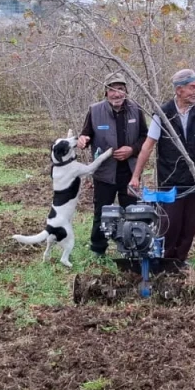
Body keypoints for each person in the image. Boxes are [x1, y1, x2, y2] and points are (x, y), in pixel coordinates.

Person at [129, 69, 195, 270]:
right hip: (169, 179)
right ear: (179, 90)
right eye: (192, 87)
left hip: (194, 180)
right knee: (171, 224)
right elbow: (148, 146)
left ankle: (180, 261)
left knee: (190, 224)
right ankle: (165, 262)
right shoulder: (163, 113)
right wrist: (135, 176)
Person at [77, 73, 148, 257]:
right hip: (105, 173)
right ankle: (98, 250)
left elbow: (145, 138)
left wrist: (131, 150)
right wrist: (83, 139)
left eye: (120, 89)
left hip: (130, 172)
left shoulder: (136, 110)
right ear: (106, 92)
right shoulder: (95, 111)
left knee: (132, 212)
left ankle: (130, 250)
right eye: (112, 89)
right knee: (101, 212)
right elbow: (86, 134)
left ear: (126, 91)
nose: (116, 94)